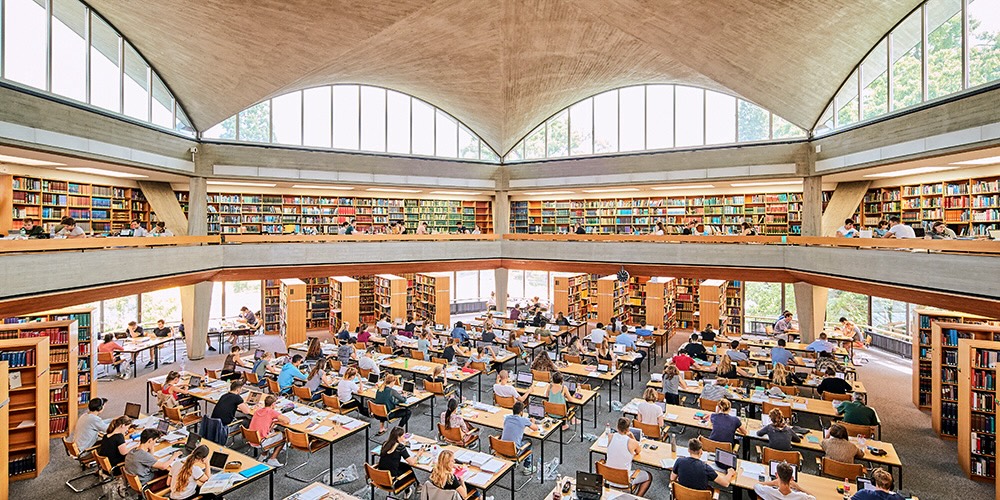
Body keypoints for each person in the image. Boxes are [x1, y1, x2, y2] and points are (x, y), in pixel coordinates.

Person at [604, 416, 653, 496]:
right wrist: (631, 435)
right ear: (628, 429)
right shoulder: (632, 442)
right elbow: (638, 451)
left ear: (617, 427)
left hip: (608, 478)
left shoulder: (610, 436)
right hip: (624, 481)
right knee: (649, 476)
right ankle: (637, 497)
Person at [671, 438, 736, 491]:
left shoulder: (679, 461)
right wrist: (730, 473)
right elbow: (726, 483)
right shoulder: (706, 468)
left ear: (688, 450)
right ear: (701, 452)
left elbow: (672, 478)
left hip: (682, 496)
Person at [377, 427, 418, 496]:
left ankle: (416, 485)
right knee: (409, 470)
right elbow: (412, 462)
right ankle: (414, 486)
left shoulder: (385, 444)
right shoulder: (400, 447)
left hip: (380, 478)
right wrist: (418, 454)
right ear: (398, 437)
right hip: (393, 482)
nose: (404, 437)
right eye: (403, 436)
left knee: (405, 466)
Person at [249, 395, 289, 466]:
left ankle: (263, 455)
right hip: (261, 441)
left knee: (273, 430)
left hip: (252, 439)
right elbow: (287, 421)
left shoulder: (258, 410)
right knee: (284, 435)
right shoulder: (271, 412)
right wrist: (276, 421)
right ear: (273, 404)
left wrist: (274, 422)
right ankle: (272, 459)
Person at [501, 401, 540, 475]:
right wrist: (533, 422)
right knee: (529, 442)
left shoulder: (507, 418)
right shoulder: (523, 420)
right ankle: (528, 467)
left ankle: (514, 462)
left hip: (502, 448)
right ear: (521, 412)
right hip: (514, 451)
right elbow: (535, 428)